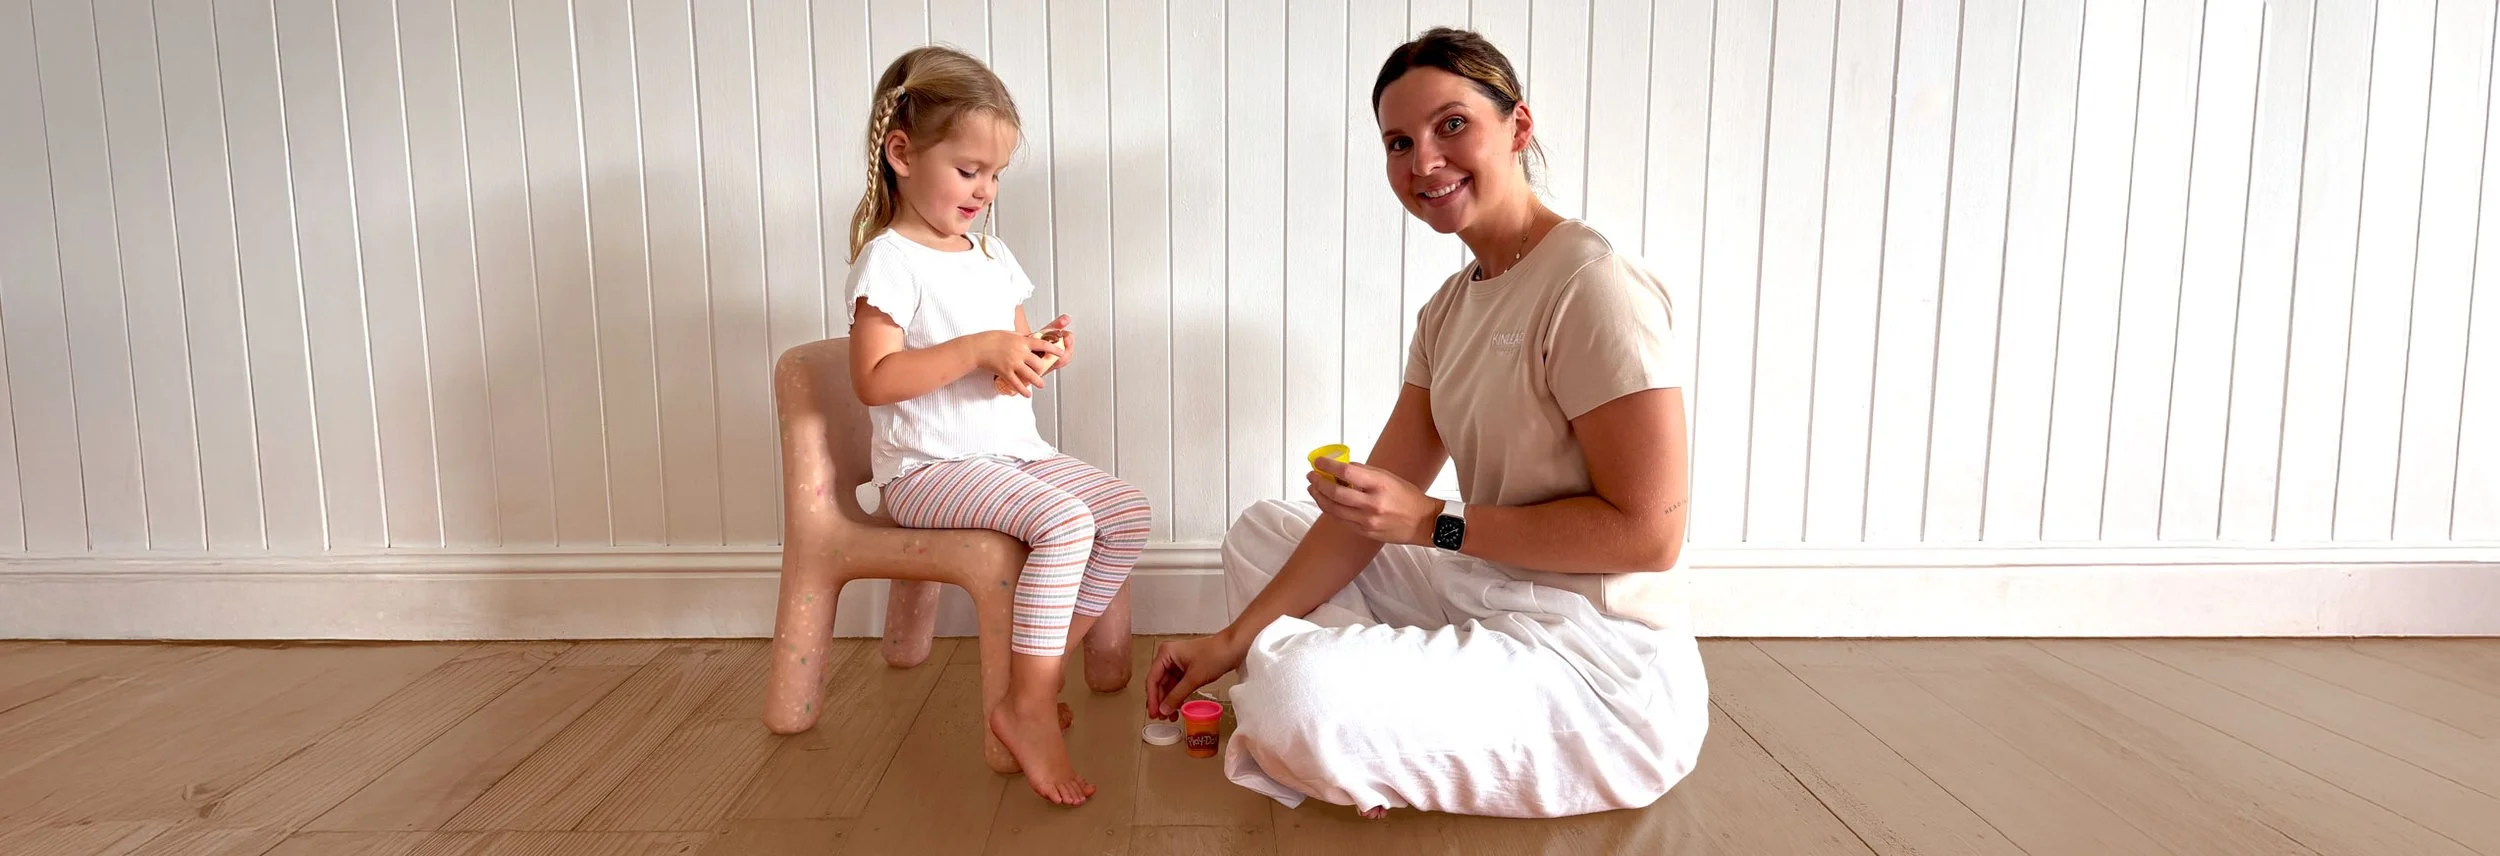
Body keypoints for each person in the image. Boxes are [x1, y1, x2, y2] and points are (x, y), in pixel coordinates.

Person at [1145, 27, 1709, 820]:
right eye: (1399, 142)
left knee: (1296, 697)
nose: (1424, 163)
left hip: (1596, 666)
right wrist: (1225, 644)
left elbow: (1649, 537)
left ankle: (1336, 706)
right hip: (1486, 595)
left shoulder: (1594, 283)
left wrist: (1431, 523)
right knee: (1261, 530)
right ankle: (1357, 706)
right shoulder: (1447, 311)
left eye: (1452, 126)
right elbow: (1369, 519)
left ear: (1517, 127)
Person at [842, 45, 1152, 807]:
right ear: (903, 152)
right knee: (1067, 523)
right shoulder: (889, 261)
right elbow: (873, 380)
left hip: (1008, 452)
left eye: (995, 174)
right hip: (927, 472)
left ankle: (1023, 686)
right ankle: (1033, 706)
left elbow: (1007, 352)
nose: (984, 189)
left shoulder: (991, 254)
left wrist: (1037, 353)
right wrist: (978, 349)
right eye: (969, 169)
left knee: (1126, 512)